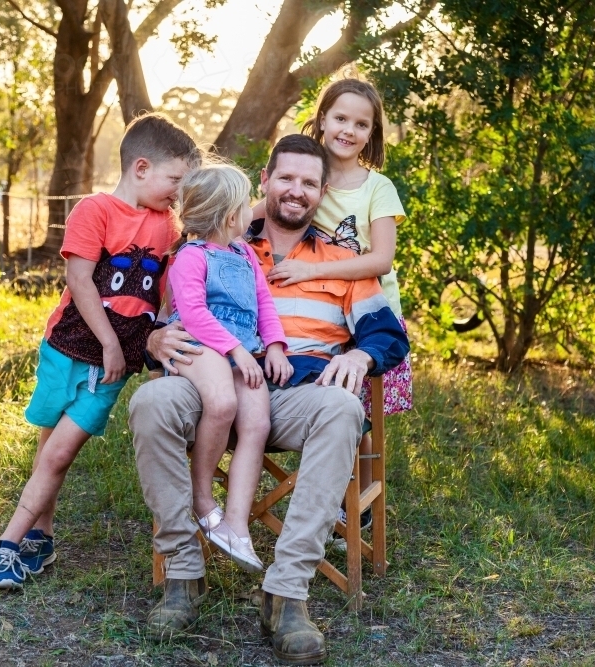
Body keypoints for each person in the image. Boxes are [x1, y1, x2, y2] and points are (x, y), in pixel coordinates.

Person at [129, 134, 409, 663]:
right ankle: (183, 574)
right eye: (286, 178)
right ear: (264, 180)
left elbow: (387, 334)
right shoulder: (220, 239)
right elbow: (165, 316)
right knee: (151, 404)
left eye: (309, 182)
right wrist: (152, 339)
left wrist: (359, 357)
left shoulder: (341, 262)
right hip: (207, 387)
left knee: (345, 408)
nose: (296, 191)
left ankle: (286, 593)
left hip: (295, 395)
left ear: (322, 191)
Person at [0, 112, 200, 589]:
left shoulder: (169, 225)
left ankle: (5, 546)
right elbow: (79, 280)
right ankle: (43, 534)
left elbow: (169, 288)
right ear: (141, 168)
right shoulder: (94, 210)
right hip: (68, 346)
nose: (177, 194)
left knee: (59, 454)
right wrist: (106, 343)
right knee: (49, 444)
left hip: (114, 363)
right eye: (174, 180)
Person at [255, 78, 412, 529]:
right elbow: (249, 212)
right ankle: (325, 491)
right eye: (340, 118)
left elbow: (380, 259)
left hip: (366, 308)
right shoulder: (303, 171)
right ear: (322, 118)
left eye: (361, 124)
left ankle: (354, 507)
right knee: (327, 397)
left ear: (372, 133)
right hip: (314, 313)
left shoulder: (375, 186)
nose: (349, 130)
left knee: (356, 406)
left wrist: (310, 272)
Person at [165, 163, 292, 573]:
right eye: (244, 206)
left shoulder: (244, 254)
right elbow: (194, 314)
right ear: (227, 215)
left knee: (256, 422)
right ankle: (202, 498)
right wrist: (236, 351)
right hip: (201, 346)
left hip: (244, 349)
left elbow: (264, 304)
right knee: (222, 404)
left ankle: (236, 526)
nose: (251, 212)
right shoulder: (191, 256)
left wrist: (274, 346)